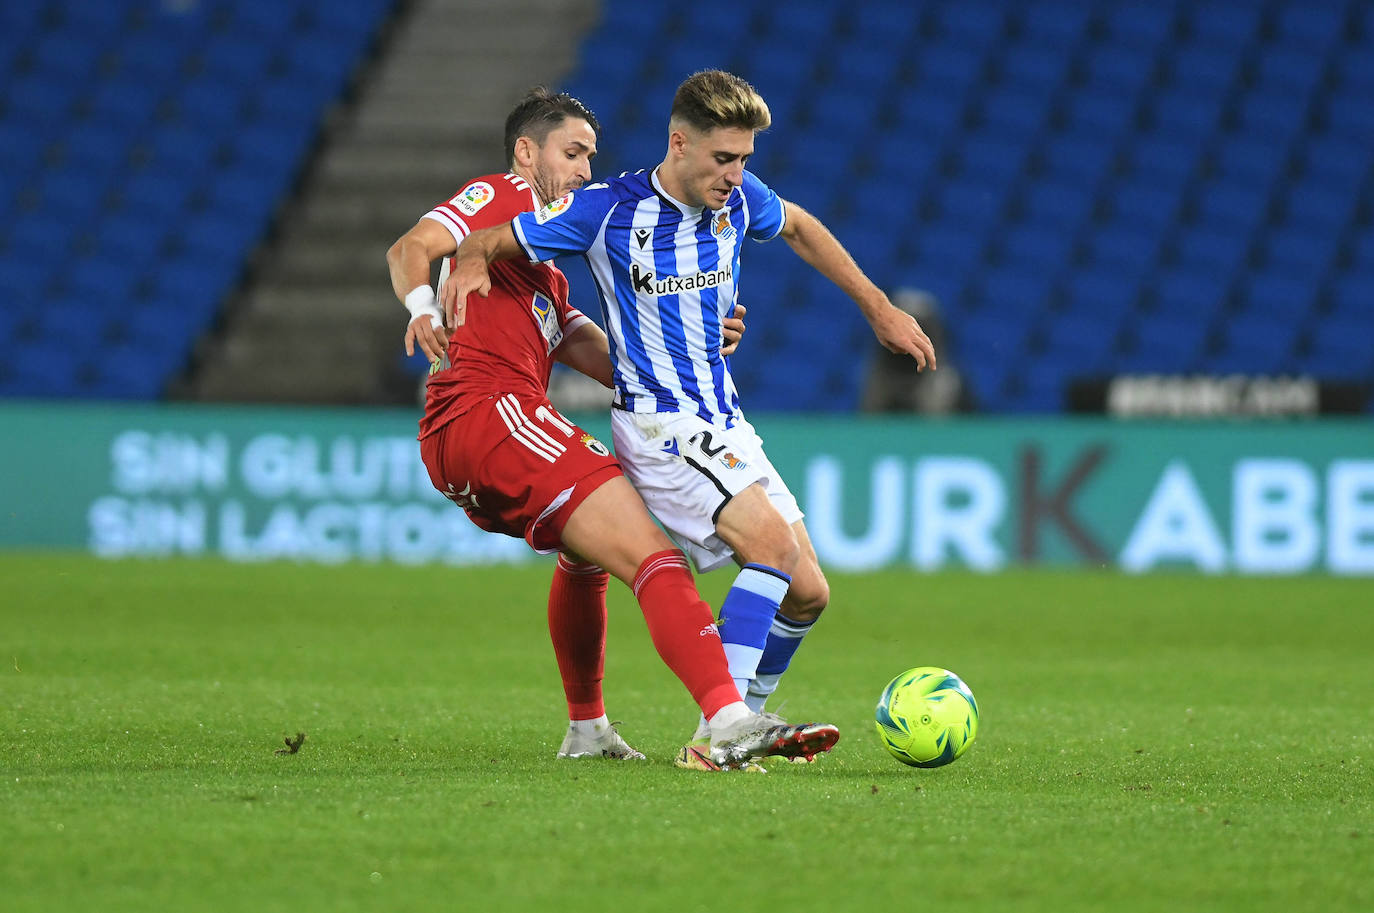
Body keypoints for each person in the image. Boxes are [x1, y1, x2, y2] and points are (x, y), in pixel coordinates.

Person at [442, 71, 936, 769]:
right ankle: (722, 730)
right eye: (722, 159)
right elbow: (497, 239)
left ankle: (744, 718)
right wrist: (466, 260)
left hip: (724, 418)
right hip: (661, 424)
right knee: (769, 545)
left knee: (809, 591)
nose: (736, 176)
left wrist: (877, 307)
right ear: (679, 143)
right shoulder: (608, 208)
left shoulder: (738, 202)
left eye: (744, 160)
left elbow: (797, 226)